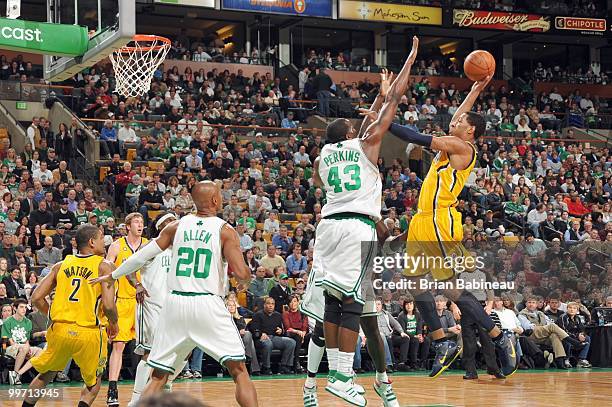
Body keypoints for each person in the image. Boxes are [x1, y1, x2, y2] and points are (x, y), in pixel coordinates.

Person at [366, 66, 517, 378]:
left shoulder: (462, 147)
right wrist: (477, 88)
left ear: (471, 131)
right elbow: (460, 114)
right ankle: (443, 341)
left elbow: (414, 135)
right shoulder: (456, 137)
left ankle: (499, 337)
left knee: (450, 289)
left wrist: (383, 121)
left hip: (440, 222)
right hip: (424, 221)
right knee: (415, 284)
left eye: (462, 122)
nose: (456, 121)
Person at [307, 38, 419, 407]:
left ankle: (344, 377)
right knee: (355, 302)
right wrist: (404, 69)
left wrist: (378, 104)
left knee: (335, 304)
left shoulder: (323, 157)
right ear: (352, 135)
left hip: (328, 228)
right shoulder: (365, 145)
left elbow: (367, 125)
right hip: (357, 227)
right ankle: (341, 376)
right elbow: (388, 111)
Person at [91, 181, 258, 406]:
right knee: (239, 370)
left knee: (158, 375)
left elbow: (141, 256)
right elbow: (240, 272)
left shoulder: (176, 227)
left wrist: (113, 275)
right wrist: (245, 280)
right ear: (216, 200)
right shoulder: (224, 230)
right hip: (207, 302)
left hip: (174, 304)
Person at [20, 224, 119, 407]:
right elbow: (108, 305)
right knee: (93, 380)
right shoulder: (104, 266)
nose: (104, 242)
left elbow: (36, 297)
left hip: (60, 329)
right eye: (101, 237)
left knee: (47, 373)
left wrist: (53, 313)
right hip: (88, 331)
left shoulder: (61, 265)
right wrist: (114, 323)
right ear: (91, 242)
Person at [100, 212, 178, 407]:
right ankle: (129, 395)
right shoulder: (149, 246)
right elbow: (128, 268)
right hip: (144, 304)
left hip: (172, 307)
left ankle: (165, 388)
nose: (175, 224)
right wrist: (138, 285)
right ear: (161, 227)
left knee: (175, 351)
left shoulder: (179, 247)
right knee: (144, 352)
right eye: (170, 222)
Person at [104, 212, 148, 407]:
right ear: (127, 226)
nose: (140, 225)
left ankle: (145, 391)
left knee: (148, 349)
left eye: (142, 222)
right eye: (136, 222)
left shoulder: (148, 244)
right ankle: (112, 389)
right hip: (122, 300)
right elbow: (106, 271)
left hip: (144, 302)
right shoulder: (116, 246)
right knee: (119, 346)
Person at [2, 298, 42, 385]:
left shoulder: (28, 322)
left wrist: (27, 348)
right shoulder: (8, 321)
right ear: (15, 308)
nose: (24, 309)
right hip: (10, 348)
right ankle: (16, 372)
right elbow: (10, 341)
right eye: (21, 307)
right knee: (25, 347)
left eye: (25, 307)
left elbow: (26, 340)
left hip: (24, 347)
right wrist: (24, 348)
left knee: (40, 351)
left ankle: (17, 374)